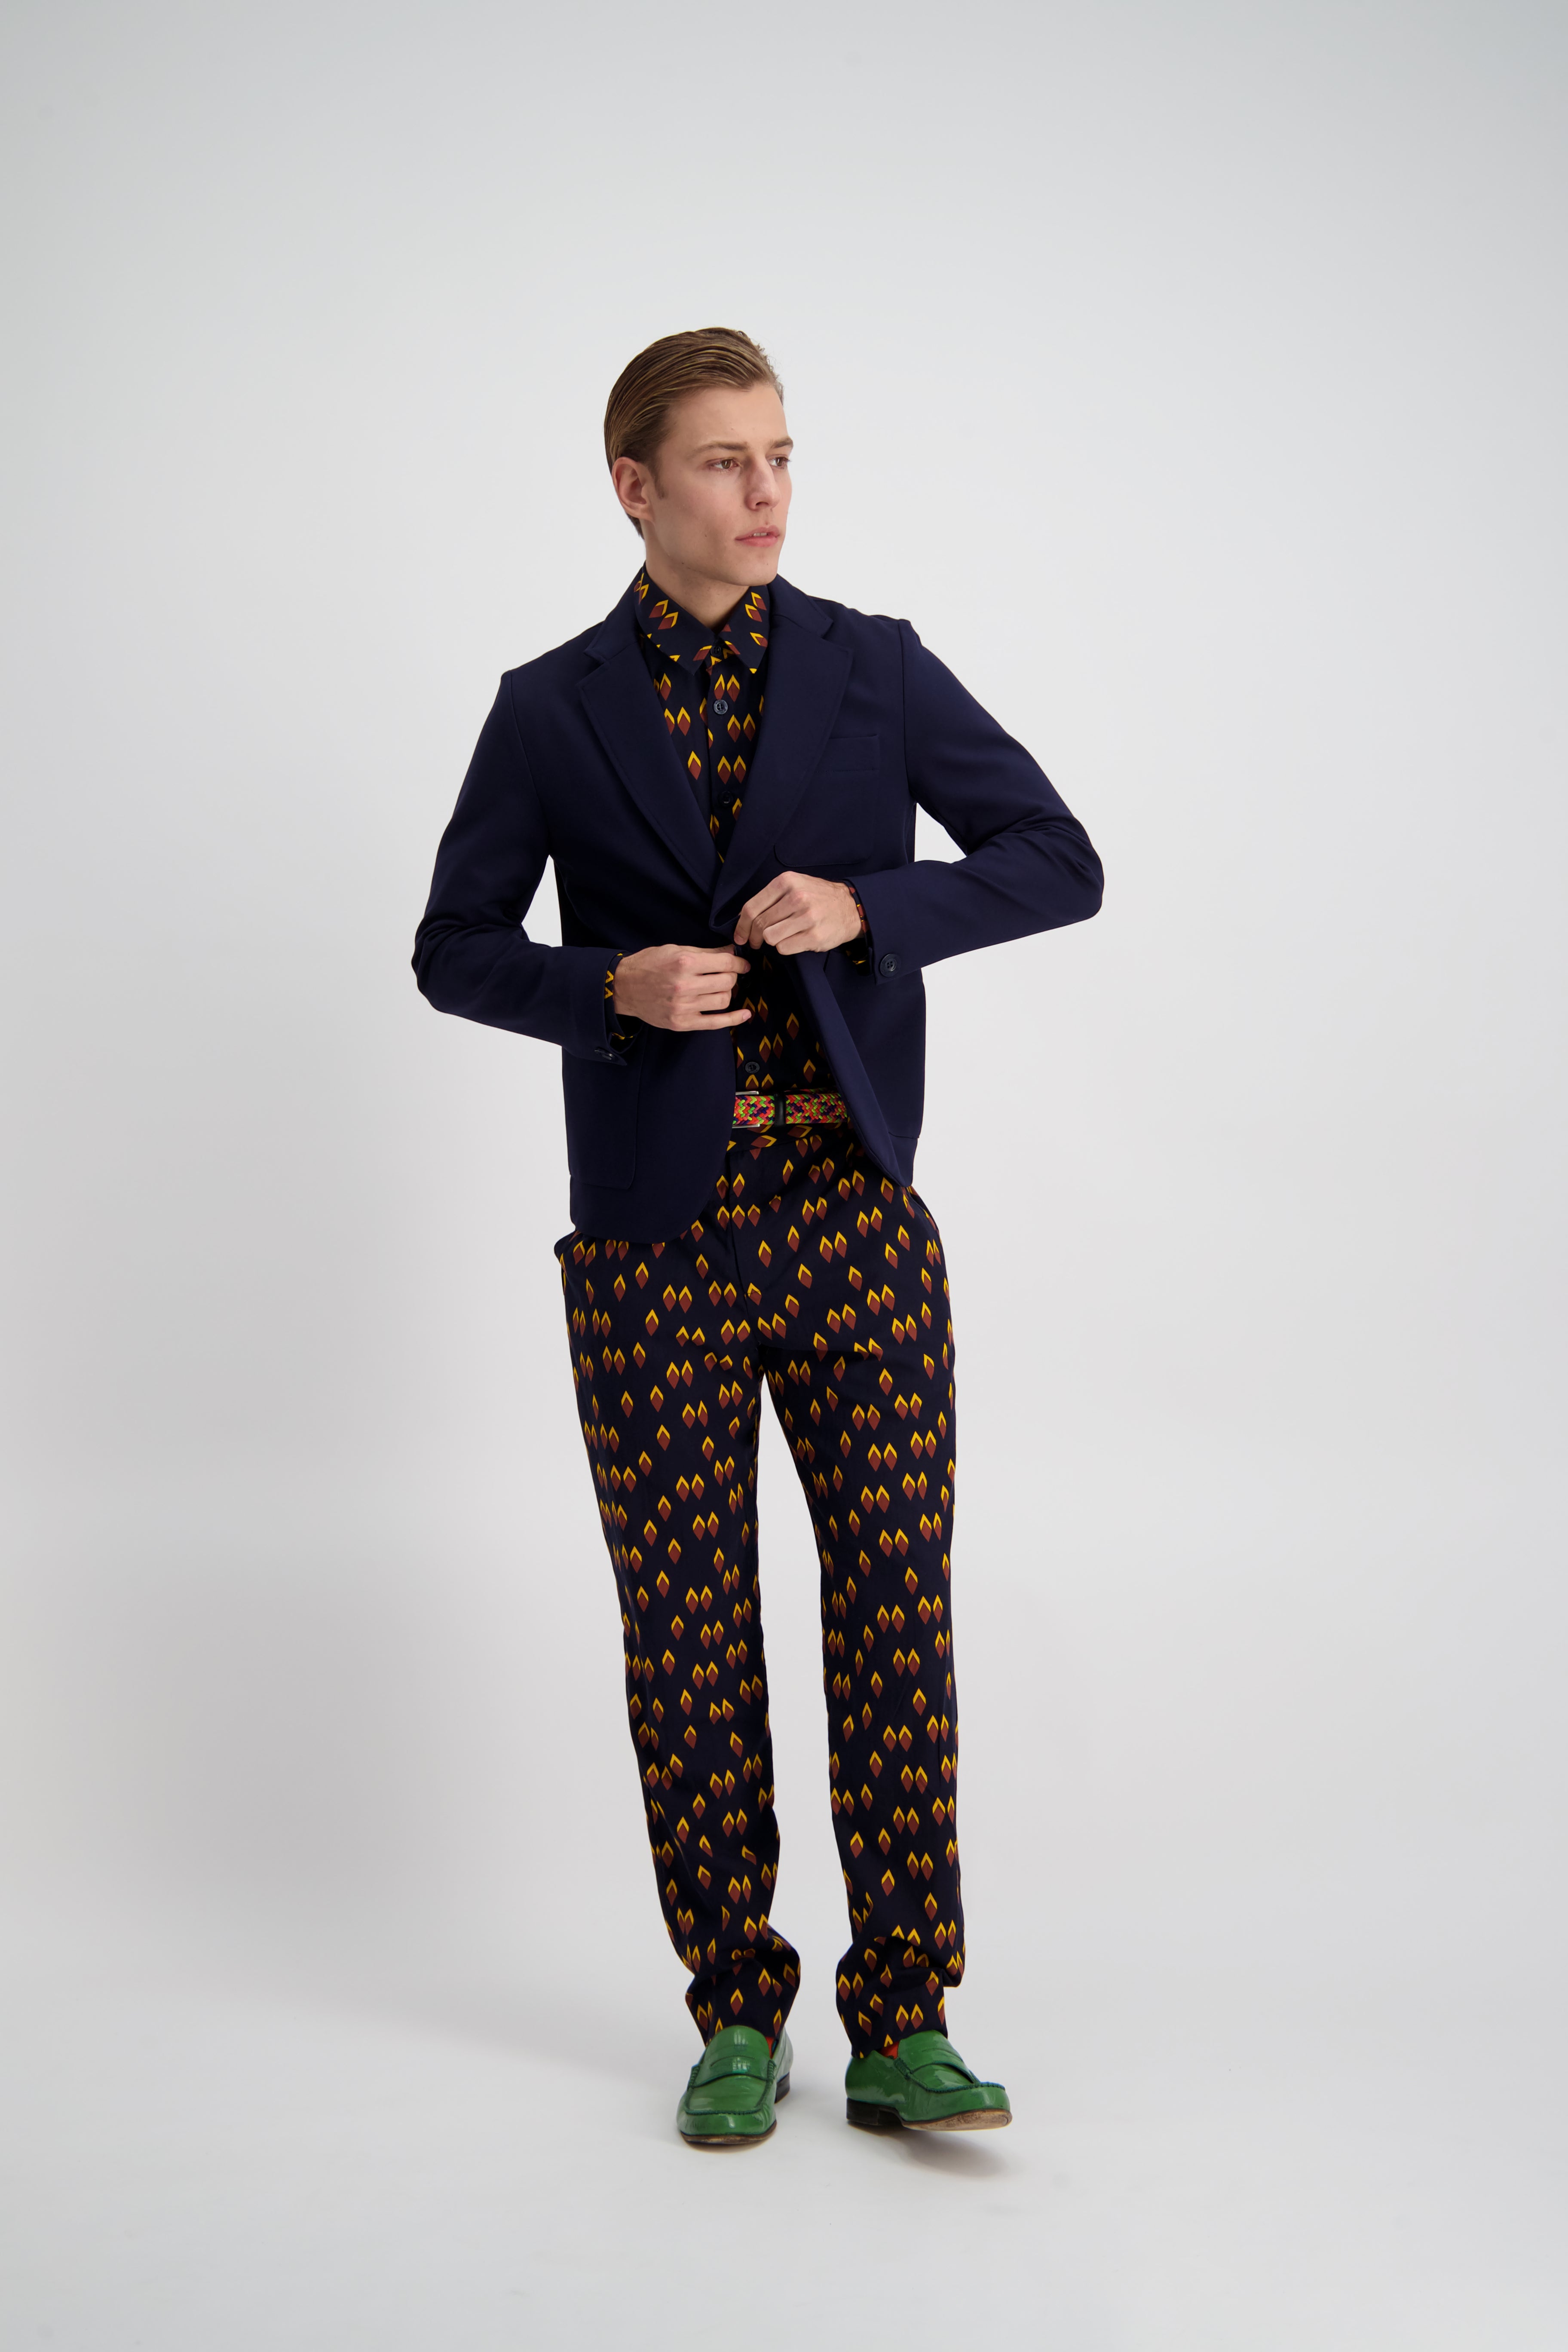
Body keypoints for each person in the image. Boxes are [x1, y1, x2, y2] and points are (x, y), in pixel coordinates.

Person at [412, 328, 1103, 2147]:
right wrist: (606, 986)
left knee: (894, 1611)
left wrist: (874, 907)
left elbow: (1057, 856)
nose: (768, 491)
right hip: (653, 1244)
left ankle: (907, 2017)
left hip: (853, 1222)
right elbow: (452, 948)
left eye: (782, 454)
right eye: (726, 462)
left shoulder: (877, 668)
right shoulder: (549, 708)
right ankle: (735, 2008)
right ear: (635, 488)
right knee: (689, 1637)